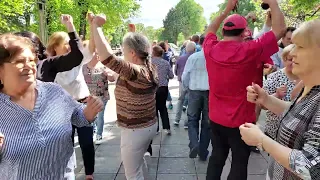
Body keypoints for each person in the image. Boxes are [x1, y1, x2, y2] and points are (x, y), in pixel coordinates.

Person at [0, 33, 103, 180]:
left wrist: (88, 113)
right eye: (20, 61)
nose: (29, 65)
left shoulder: (53, 91)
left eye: (31, 60)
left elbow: (77, 115)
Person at [203, 0, 285, 179]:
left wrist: (226, 10)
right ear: (243, 34)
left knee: (217, 158)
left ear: (223, 32)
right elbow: (280, 30)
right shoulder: (251, 50)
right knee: (240, 162)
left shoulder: (210, 48)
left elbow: (209, 29)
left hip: (216, 117)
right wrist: (273, 3)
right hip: (242, 121)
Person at [241, 19, 320, 180]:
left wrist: (261, 140)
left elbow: (311, 168)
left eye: (301, 46)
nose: (291, 53)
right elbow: (296, 112)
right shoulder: (310, 87)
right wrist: (266, 99)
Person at [91, 15, 158, 180]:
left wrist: (96, 26)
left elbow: (107, 57)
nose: (122, 52)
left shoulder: (135, 71)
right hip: (147, 125)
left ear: (133, 53)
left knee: (132, 174)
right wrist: (132, 35)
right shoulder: (148, 67)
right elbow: (125, 71)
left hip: (135, 130)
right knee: (139, 165)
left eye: (124, 49)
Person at [261, 44, 299, 140]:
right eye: (290, 59)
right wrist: (277, 95)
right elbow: (263, 105)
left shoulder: (305, 78)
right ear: (284, 59)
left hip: (296, 132)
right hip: (276, 130)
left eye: (295, 59)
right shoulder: (275, 77)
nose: (293, 63)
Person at [182, 35, 211, 161]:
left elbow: (185, 75)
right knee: (207, 123)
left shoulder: (193, 57)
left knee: (192, 120)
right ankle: (203, 151)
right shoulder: (214, 58)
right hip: (210, 93)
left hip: (194, 92)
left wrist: (187, 88)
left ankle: (194, 143)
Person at [37, 14, 84, 82]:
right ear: (55, 47)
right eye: (66, 43)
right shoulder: (47, 65)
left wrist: (70, 26)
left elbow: (78, 54)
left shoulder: (76, 60)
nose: (70, 46)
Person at [83, 53, 116, 144]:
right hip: (89, 97)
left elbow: (112, 79)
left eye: (98, 54)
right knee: (92, 116)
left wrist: (109, 75)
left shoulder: (104, 66)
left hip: (102, 95)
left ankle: (99, 134)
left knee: (100, 116)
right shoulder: (84, 66)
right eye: (95, 54)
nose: (97, 56)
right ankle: (92, 131)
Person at [152, 45, 174, 135]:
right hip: (163, 88)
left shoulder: (149, 63)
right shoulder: (165, 63)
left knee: (154, 109)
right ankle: (167, 127)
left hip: (152, 88)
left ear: (153, 53)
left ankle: (156, 129)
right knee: (163, 108)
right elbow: (171, 75)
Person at [174, 41, 196, 128]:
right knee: (190, 102)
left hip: (182, 82)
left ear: (186, 49)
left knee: (180, 100)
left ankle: (176, 119)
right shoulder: (195, 58)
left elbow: (175, 71)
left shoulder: (180, 59)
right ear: (194, 49)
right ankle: (186, 123)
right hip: (192, 83)